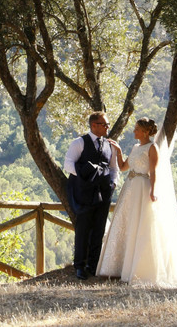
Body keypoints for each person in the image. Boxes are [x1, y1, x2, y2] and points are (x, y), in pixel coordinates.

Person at [97, 117, 177, 288]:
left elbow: (154, 172)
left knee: (141, 225)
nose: (134, 131)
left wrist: (152, 191)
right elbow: (123, 167)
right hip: (129, 189)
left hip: (142, 187)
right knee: (126, 225)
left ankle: (137, 269)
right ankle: (120, 267)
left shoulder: (152, 148)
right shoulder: (135, 147)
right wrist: (119, 151)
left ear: (144, 131)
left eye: (136, 129)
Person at [63, 111, 119, 280]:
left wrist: (113, 184)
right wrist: (84, 178)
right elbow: (68, 165)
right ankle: (79, 266)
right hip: (84, 193)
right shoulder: (79, 143)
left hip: (104, 193)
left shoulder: (110, 145)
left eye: (108, 124)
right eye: (105, 124)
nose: (108, 127)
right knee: (83, 229)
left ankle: (93, 265)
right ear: (94, 125)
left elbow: (114, 168)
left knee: (99, 229)